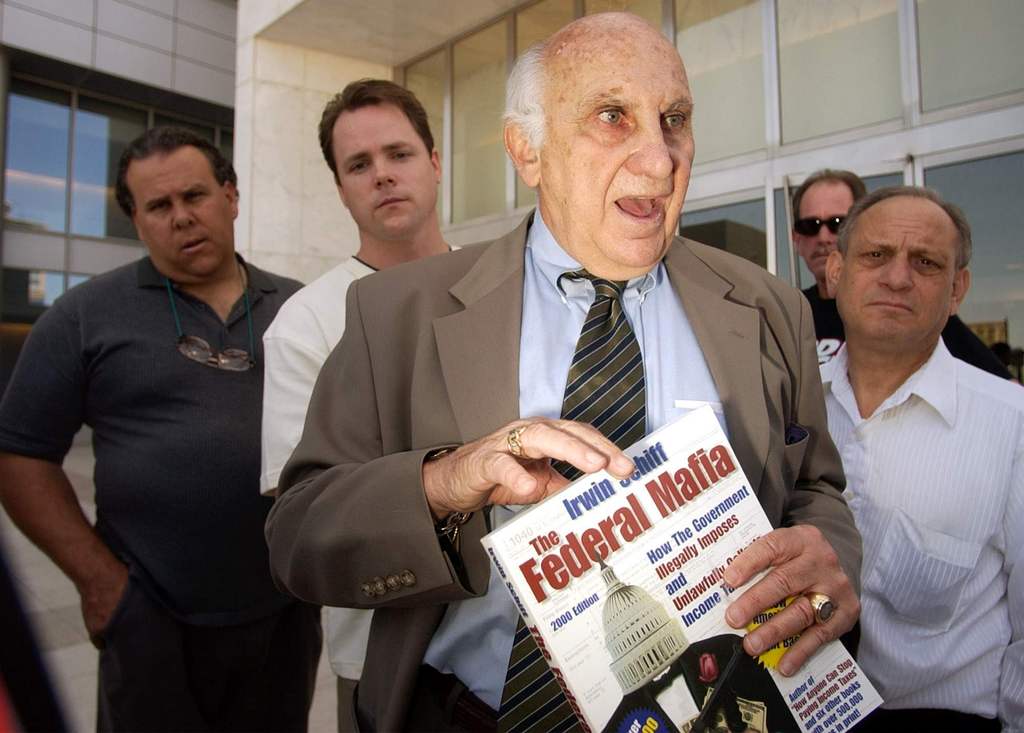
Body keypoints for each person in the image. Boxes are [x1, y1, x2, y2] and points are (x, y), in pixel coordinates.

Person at [267, 13, 861, 732]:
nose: (660, 157)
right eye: (613, 116)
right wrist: (445, 482)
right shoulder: (395, 313)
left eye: (674, 119)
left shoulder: (769, 309)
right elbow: (298, 537)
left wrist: (830, 566)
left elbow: (816, 491)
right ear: (527, 150)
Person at [0, 127, 320, 731]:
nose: (181, 218)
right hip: (149, 621)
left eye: (195, 196)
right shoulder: (83, 315)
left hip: (282, 616)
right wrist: (101, 586)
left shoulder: (301, 308)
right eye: (158, 206)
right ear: (136, 220)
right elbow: (19, 454)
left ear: (231, 196)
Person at [260, 79, 451, 731]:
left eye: (398, 153)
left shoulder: (507, 287)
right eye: (359, 165)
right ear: (341, 188)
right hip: (384, 663)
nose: (383, 176)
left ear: (435, 161)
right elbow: (307, 524)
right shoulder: (306, 323)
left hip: (525, 648)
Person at [820, 186, 1023, 731]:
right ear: (836, 271)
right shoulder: (787, 403)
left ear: (957, 289)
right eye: (876, 255)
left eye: (926, 262)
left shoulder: (1013, 423)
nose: (897, 277)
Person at [791, 169, 1010, 377]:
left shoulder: (915, 311)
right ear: (796, 238)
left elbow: (1001, 391)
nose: (823, 237)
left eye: (837, 223)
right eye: (810, 226)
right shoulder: (789, 313)